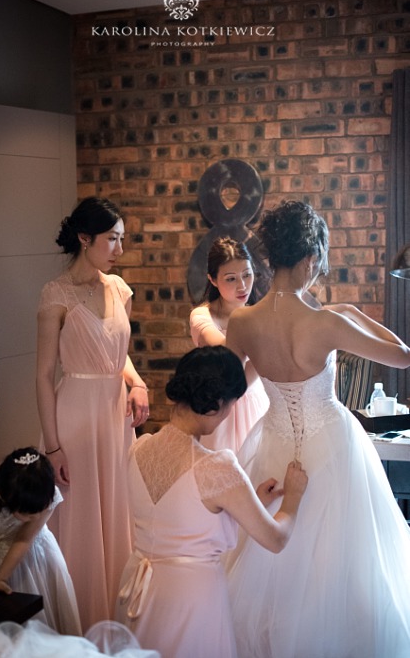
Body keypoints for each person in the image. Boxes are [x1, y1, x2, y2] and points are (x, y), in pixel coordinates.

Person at [224, 200, 410, 657]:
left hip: (274, 445)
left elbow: (232, 385)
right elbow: (402, 356)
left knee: (274, 564)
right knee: (341, 561)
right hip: (331, 448)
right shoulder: (326, 322)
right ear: (310, 258)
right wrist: (352, 312)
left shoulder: (243, 321)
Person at [115, 346, 308, 658]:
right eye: (232, 404)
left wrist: (253, 500)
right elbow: (275, 539)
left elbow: (181, 517)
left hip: (140, 590)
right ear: (217, 405)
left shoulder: (138, 449)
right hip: (190, 599)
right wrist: (294, 498)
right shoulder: (216, 467)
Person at [36, 196, 150, 627]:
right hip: (75, 417)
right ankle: (80, 618)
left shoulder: (119, 289)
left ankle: (117, 616)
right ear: (85, 239)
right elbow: (43, 375)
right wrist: (52, 448)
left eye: (121, 239)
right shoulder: (56, 294)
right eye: (112, 239)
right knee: (82, 516)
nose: (119, 249)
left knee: (119, 510)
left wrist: (137, 382)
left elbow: (118, 353)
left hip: (115, 418)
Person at [0, 446, 82, 636]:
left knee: (45, 620)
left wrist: (1, 577)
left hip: (39, 559)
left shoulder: (47, 494)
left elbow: (24, 539)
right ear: (3, 498)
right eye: (27, 515)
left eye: (39, 511)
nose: (35, 517)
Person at [189, 237, 269, 452]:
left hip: (256, 404)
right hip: (219, 412)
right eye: (231, 279)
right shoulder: (202, 316)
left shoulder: (260, 314)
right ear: (213, 280)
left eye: (247, 275)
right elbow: (228, 355)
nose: (242, 286)